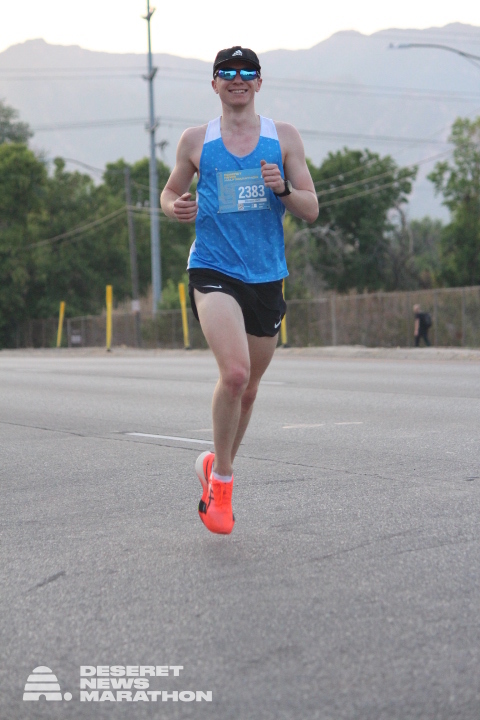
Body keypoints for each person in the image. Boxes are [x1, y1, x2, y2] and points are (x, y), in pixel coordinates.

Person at [161, 46, 319, 534]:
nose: (237, 78)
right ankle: (223, 487)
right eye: (226, 72)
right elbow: (169, 192)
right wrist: (174, 207)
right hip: (213, 269)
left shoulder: (283, 137)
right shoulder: (196, 140)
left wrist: (282, 189)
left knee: (248, 391)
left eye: (247, 71)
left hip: (266, 276)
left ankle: (215, 466)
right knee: (234, 373)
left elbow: (311, 208)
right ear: (214, 83)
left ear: (258, 82)